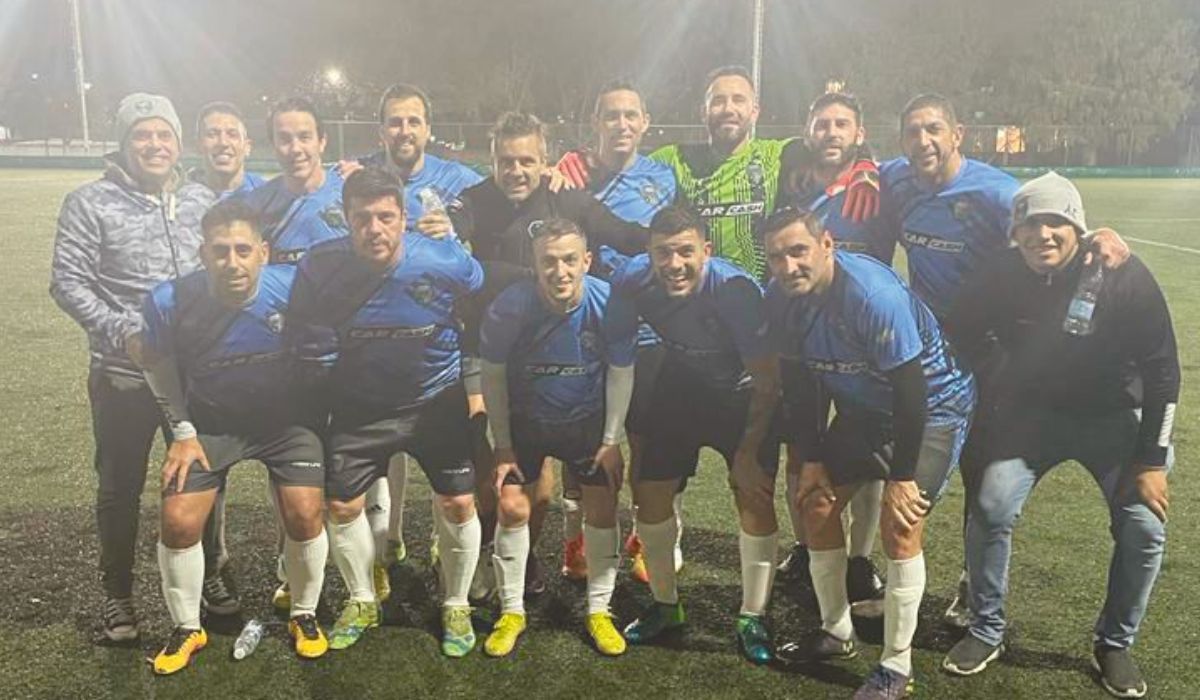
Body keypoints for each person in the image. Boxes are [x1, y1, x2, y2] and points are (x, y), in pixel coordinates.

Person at [879, 93, 1130, 627]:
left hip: (990, 350)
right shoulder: (895, 178)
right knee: (906, 460)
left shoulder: (995, 192)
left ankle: (971, 587)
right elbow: (857, 170)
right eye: (912, 132)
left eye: (934, 129)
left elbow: (1050, 226)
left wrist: (1100, 236)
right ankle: (892, 573)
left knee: (980, 466)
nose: (923, 141)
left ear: (957, 134)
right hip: (928, 349)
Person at [940, 173, 1178, 700]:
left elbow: (1164, 372)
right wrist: (996, 385)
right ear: (1015, 231)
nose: (1042, 234)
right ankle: (986, 628)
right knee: (991, 505)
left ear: (1079, 230)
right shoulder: (1000, 272)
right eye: (1030, 223)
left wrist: (1152, 460)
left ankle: (1114, 643)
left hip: (1116, 418)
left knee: (1143, 526)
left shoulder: (1122, 275)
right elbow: (957, 333)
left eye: (1056, 223)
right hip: (1035, 418)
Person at [762, 207, 975, 699]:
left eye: (799, 251)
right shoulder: (779, 297)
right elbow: (797, 383)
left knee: (901, 524)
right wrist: (811, 458)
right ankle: (836, 632)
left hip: (933, 407)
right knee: (815, 503)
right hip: (865, 409)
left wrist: (902, 477)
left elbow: (911, 393)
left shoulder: (872, 295)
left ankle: (897, 665)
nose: (789, 265)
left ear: (827, 245)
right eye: (777, 256)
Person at [287, 166, 485, 656]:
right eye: (362, 219)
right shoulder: (319, 265)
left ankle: (456, 603)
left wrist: (475, 384)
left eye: (385, 217)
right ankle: (361, 599)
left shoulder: (442, 259)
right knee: (342, 506)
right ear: (346, 219)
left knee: (459, 503)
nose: (373, 229)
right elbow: (306, 328)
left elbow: (476, 289)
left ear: (404, 218)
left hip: (435, 400)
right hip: (361, 407)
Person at [451, 110, 649, 596]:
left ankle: (522, 561)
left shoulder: (567, 198)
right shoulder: (475, 199)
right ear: (492, 162)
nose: (516, 171)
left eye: (527, 161)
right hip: (489, 350)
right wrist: (444, 229)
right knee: (487, 456)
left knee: (538, 488)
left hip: (554, 350)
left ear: (545, 162)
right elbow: (456, 241)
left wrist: (671, 248)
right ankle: (485, 552)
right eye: (506, 161)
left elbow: (626, 235)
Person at [129, 200, 329, 673]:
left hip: (286, 423)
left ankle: (303, 614)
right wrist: (182, 432)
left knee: (304, 512)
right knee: (178, 519)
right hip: (211, 425)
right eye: (220, 251)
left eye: (243, 250)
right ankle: (187, 627)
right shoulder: (169, 300)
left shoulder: (295, 289)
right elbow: (156, 364)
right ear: (203, 254)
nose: (232, 262)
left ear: (264, 252)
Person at [49, 92, 215, 642]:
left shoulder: (199, 199)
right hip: (124, 374)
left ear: (178, 143)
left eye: (164, 134)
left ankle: (211, 576)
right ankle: (118, 595)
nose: (154, 144)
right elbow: (67, 282)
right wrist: (124, 330)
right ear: (123, 144)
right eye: (142, 135)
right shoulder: (89, 202)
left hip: (191, 374)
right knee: (121, 487)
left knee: (200, 476)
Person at [609, 205, 782, 665]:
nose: (674, 264)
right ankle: (666, 606)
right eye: (663, 253)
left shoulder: (736, 291)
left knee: (754, 495)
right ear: (649, 254)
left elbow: (768, 380)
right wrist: (608, 438)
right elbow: (619, 359)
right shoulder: (631, 280)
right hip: (682, 385)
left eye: (685, 251)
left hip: (742, 396)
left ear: (706, 250)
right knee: (650, 494)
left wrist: (747, 453)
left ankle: (753, 616)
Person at [344, 82, 486, 574]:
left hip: (442, 334)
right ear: (380, 129)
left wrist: (555, 171)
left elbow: (506, 192)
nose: (404, 131)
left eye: (413, 121)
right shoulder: (358, 174)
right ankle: (391, 539)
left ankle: (437, 540)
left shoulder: (460, 178)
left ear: (428, 128)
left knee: (443, 449)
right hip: (377, 335)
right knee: (385, 450)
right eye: (394, 122)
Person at [478, 217, 637, 657]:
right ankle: (512, 611)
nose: (559, 271)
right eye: (548, 261)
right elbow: (492, 376)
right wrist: (503, 445)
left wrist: (611, 440)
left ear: (587, 261)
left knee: (602, 506)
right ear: (534, 264)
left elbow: (621, 373)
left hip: (585, 422)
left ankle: (599, 611)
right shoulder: (510, 307)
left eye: (569, 260)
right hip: (527, 422)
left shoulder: (611, 304)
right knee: (512, 507)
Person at [556, 80, 678, 584]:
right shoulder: (571, 175)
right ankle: (577, 537)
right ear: (596, 124)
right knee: (580, 438)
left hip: (649, 332)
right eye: (611, 115)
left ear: (645, 122)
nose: (622, 124)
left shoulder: (666, 176)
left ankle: (647, 537)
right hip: (586, 329)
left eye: (631, 115)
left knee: (647, 439)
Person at [774, 93, 887, 609]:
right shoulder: (789, 179)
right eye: (822, 124)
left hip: (864, 339)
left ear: (859, 133)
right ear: (808, 131)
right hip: (802, 331)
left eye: (843, 123)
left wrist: (870, 166)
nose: (832, 132)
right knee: (801, 443)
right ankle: (805, 546)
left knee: (868, 453)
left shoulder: (880, 184)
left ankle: (860, 558)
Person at [189, 101, 265, 199]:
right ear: (198, 146)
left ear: (247, 147)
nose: (223, 143)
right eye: (212, 134)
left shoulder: (268, 196)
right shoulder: (179, 200)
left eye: (232, 135)